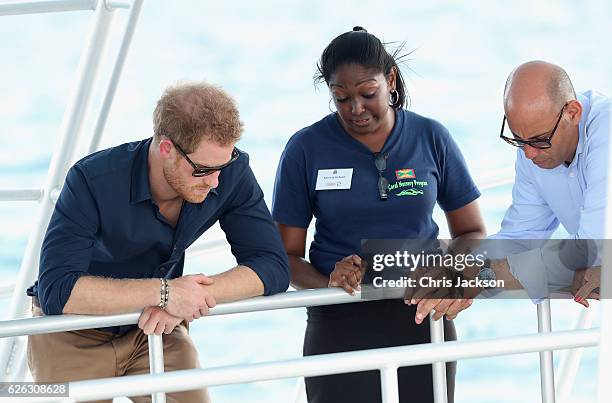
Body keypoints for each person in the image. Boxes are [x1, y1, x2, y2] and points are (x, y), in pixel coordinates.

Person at [27, 82, 290, 403]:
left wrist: (192, 296)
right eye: (204, 170)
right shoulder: (91, 179)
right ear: (166, 148)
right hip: (72, 334)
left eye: (223, 166)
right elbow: (58, 292)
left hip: (154, 326)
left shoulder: (229, 170)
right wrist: (165, 293)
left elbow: (273, 267)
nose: (215, 181)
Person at [272, 27, 486, 403]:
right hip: (338, 321)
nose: (356, 109)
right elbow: (284, 257)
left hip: (424, 319)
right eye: (341, 98)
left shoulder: (431, 137)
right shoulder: (305, 149)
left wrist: (450, 269)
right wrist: (328, 284)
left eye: (368, 94)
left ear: (390, 80)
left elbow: (472, 231)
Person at [413, 61, 610, 318]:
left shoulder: (606, 131)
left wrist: (484, 275)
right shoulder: (533, 145)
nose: (529, 154)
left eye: (539, 140)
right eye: (518, 140)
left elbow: (591, 251)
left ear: (573, 112)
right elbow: (520, 237)